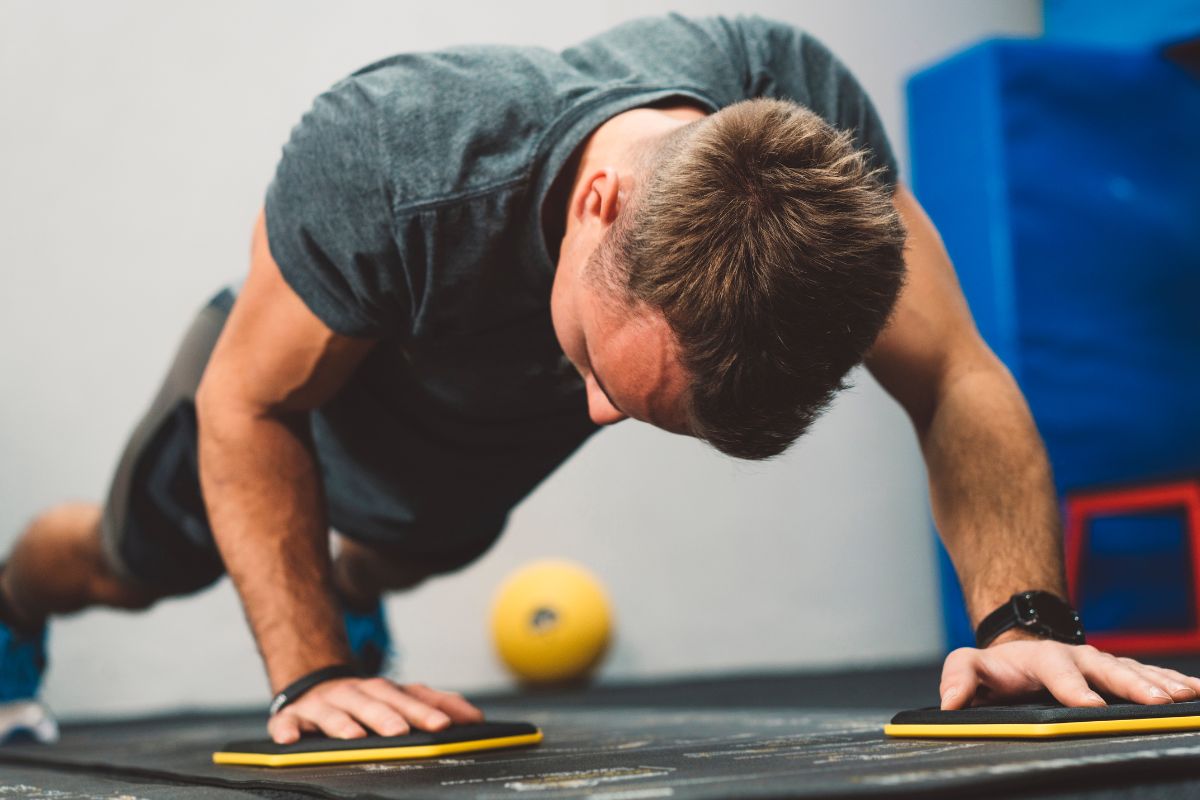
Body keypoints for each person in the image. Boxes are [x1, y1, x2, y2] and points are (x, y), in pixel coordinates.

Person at [3, 13, 1197, 746]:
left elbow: (952, 374)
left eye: (641, 408)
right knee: (126, 559)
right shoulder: (396, 154)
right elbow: (247, 402)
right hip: (300, 397)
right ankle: (11, 609)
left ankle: (353, 588)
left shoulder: (804, 145)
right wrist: (309, 674)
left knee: (412, 548)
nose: (593, 414)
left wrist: (1028, 622)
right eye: (606, 370)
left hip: (450, 472)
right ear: (599, 199)